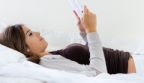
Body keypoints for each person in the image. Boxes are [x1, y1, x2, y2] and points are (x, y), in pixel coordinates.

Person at [0, 6, 136, 76]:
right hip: (132, 67)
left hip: (131, 60)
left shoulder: (49, 56)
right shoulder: (46, 63)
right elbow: (98, 75)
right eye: (30, 34)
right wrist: (91, 31)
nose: (37, 33)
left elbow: (94, 56)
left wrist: (85, 33)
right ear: (25, 49)